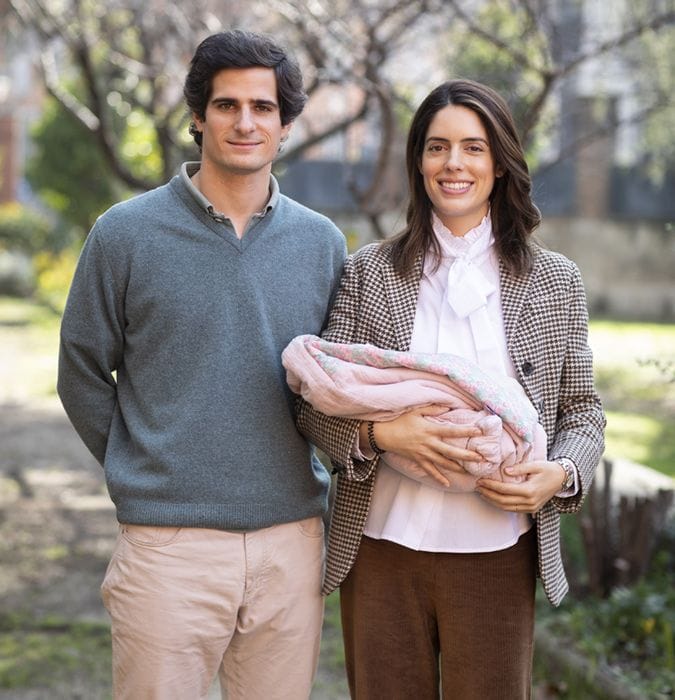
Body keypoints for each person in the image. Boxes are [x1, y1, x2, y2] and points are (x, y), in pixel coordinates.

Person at [57, 29, 346, 700]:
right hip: (167, 546)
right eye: (225, 105)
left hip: (290, 541)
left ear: (285, 121)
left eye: (263, 107)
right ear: (196, 115)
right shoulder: (124, 234)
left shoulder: (321, 243)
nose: (245, 121)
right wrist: (146, 460)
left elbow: (336, 387)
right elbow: (80, 368)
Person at [294, 79, 606, 699]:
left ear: (499, 164)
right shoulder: (370, 272)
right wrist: (380, 433)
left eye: (473, 147)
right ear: (418, 161)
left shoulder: (554, 281)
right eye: (437, 147)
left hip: (497, 551)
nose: (454, 164)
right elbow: (313, 400)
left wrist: (563, 472)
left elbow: (583, 409)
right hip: (382, 552)